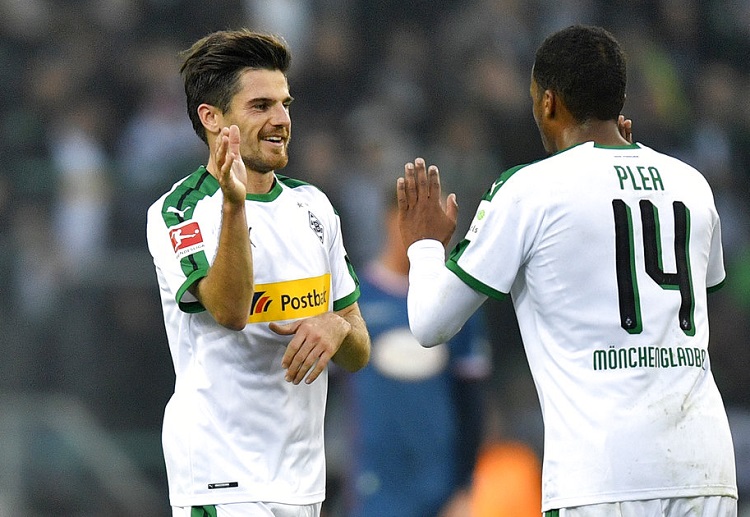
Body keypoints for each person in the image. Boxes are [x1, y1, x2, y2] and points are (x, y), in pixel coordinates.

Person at [397, 25, 737, 517]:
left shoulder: (530, 190)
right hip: (706, 468)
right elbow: (705, 293)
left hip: (602, 478)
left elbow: (430, 324)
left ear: (549, 102)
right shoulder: (692, 184)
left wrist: (425, 246)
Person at [145, 29, 370, 517]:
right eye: (261, 106)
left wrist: (336, 325)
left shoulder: (314, 207)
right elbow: (229, 310)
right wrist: (233, 205)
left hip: (302, 480)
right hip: (221, 477)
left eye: (286, 105)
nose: (283, 120)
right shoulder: (179, 212)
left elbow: (358, 351)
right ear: (212, 117)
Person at [347, 191, 491, 517]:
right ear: (390, 220)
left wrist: (465, 488)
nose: (424, 230)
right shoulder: (354, 298)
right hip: (373, 490)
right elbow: (327, 401)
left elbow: (472, 403)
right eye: (415, 218)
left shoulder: (457, 301)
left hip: (441, 494)